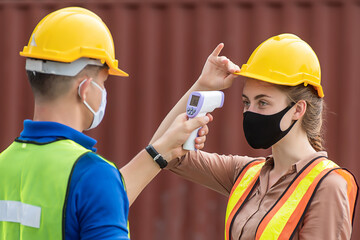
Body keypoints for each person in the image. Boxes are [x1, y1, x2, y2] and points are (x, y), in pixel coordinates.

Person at [0, 7, 240, 239]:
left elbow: (99, 199)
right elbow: (100, 194)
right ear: (85, 89)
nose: (104, 92)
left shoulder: (5, 164)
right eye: (103, 83)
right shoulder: (92, 175)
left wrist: (201, 89)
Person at [151, 34, 358, 239]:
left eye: (263, 103)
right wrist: (203, 85)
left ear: (298, 109)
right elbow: (160, 150)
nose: (250, 112)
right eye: (246, 102)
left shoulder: (327, 186)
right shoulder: (246, 174)